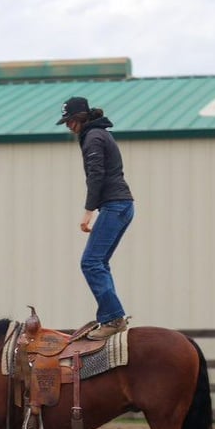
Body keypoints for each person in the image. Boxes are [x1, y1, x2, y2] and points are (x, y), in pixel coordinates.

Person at [56, 96, 134, 340]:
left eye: (70, 121)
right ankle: (111, 315)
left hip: (114, 205)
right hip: (122, 205)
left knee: (90, 263)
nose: (68, 126)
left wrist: (88, 211)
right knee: (99, 263)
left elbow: (96, 175)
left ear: (80, 118)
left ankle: (113, 318)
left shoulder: (93, 137)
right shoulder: (99, 134)